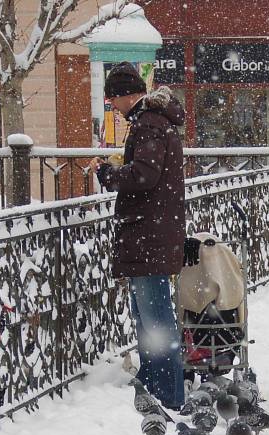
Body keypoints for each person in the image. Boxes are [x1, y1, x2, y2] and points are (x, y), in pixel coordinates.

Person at [88, 62, 189, 410]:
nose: (113, 107)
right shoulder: (154, 122)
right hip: (153, 232)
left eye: (113, 99)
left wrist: (109, 173)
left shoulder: (149, 124)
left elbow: (144, 175)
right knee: (148, 317)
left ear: (126, 94)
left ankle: (169, 393)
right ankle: (153, 381)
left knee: (155, 318)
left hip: (149, 235)